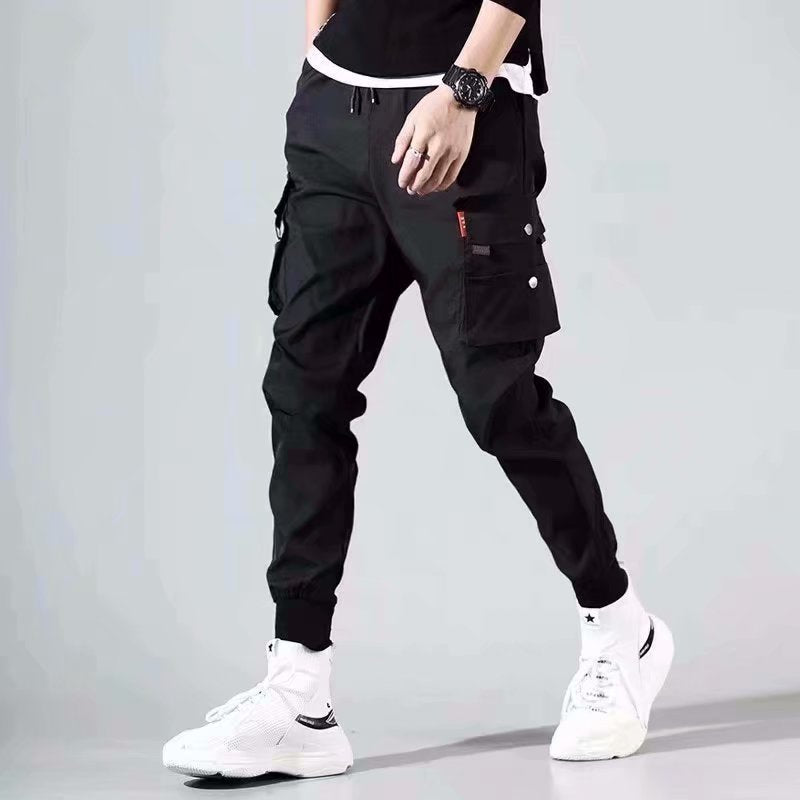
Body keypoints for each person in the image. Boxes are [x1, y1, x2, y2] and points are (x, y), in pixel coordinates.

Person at [162, 0, 674, 779]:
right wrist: (321, 52)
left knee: (498, 400)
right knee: (303, 393)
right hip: (336, 115)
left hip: (463, 109)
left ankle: (619, 625)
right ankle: (299, 691)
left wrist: (464, 89)